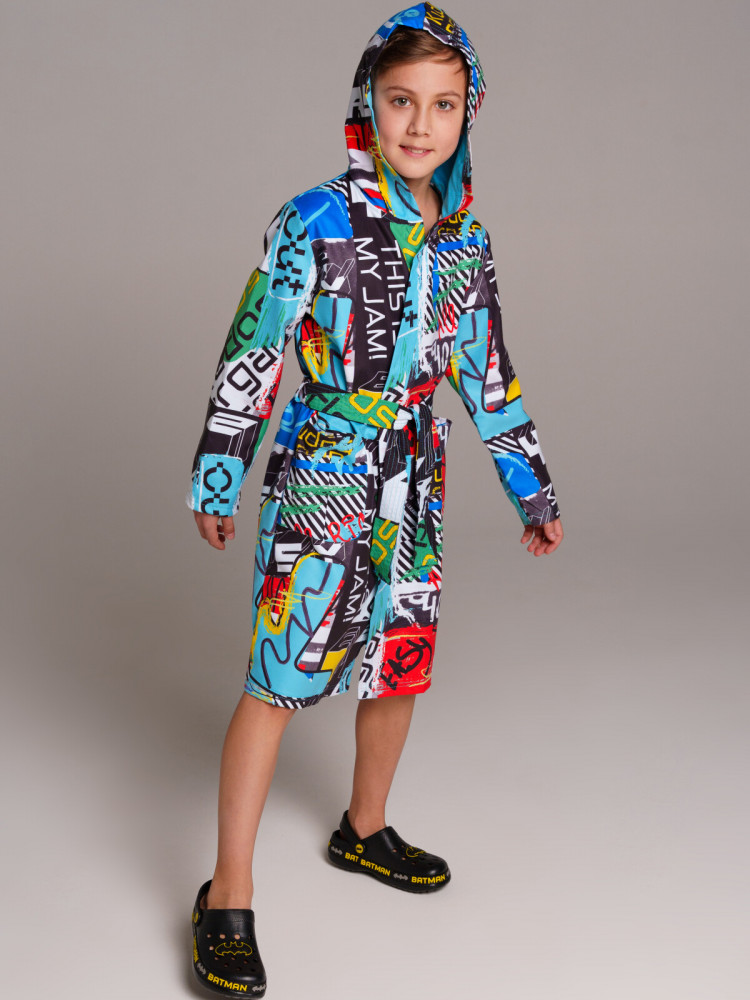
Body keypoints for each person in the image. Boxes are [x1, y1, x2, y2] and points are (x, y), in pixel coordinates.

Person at [187, 5, 563, 996]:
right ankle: (227, 894)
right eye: (402, 101)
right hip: (325, 475)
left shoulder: (466, 239)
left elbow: (484, 371)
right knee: (279, 675)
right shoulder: (312, 220)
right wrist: (222, 469)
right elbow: (255, 350)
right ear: (368, 103)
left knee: (399, 663)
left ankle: (364, 828)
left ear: (468, 114)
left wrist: (530, 486)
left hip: (415, 483)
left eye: (443, 105)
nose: (421, 125)